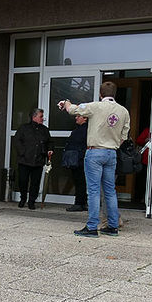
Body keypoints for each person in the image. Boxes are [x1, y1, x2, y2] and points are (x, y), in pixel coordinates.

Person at [58, 81, 130, 237]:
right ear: (114, 94)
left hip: (95, 152)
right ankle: (112, 226)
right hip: (111, 153)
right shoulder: (123, 111)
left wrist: (66, 103)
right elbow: (123, 137)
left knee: (93, 191)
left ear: (100, 94)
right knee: (110, 191)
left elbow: (73, 110)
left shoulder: (95, 106)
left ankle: (91, 227)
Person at [14, 108, 53, 209]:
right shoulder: (23, 128)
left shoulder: (44, 130)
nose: (42, 119)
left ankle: (32, 201)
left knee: (35, 183)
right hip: (24, 160)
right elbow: (17, 141)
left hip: (38, 160)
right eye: (41, 116)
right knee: (23, 181)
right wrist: (23, 153)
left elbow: (50, 142)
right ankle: (23, 198)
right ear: (34, 117)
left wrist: (49, 150)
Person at [64, 114, 88, 212]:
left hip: (79, 160)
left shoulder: (85, 130)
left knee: (80, 181)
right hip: (77, 159)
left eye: (78, 116)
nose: (76, 118)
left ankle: (79, 203)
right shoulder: (79, 129)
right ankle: (81, 202)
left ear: (85, 118)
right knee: (80, 181)